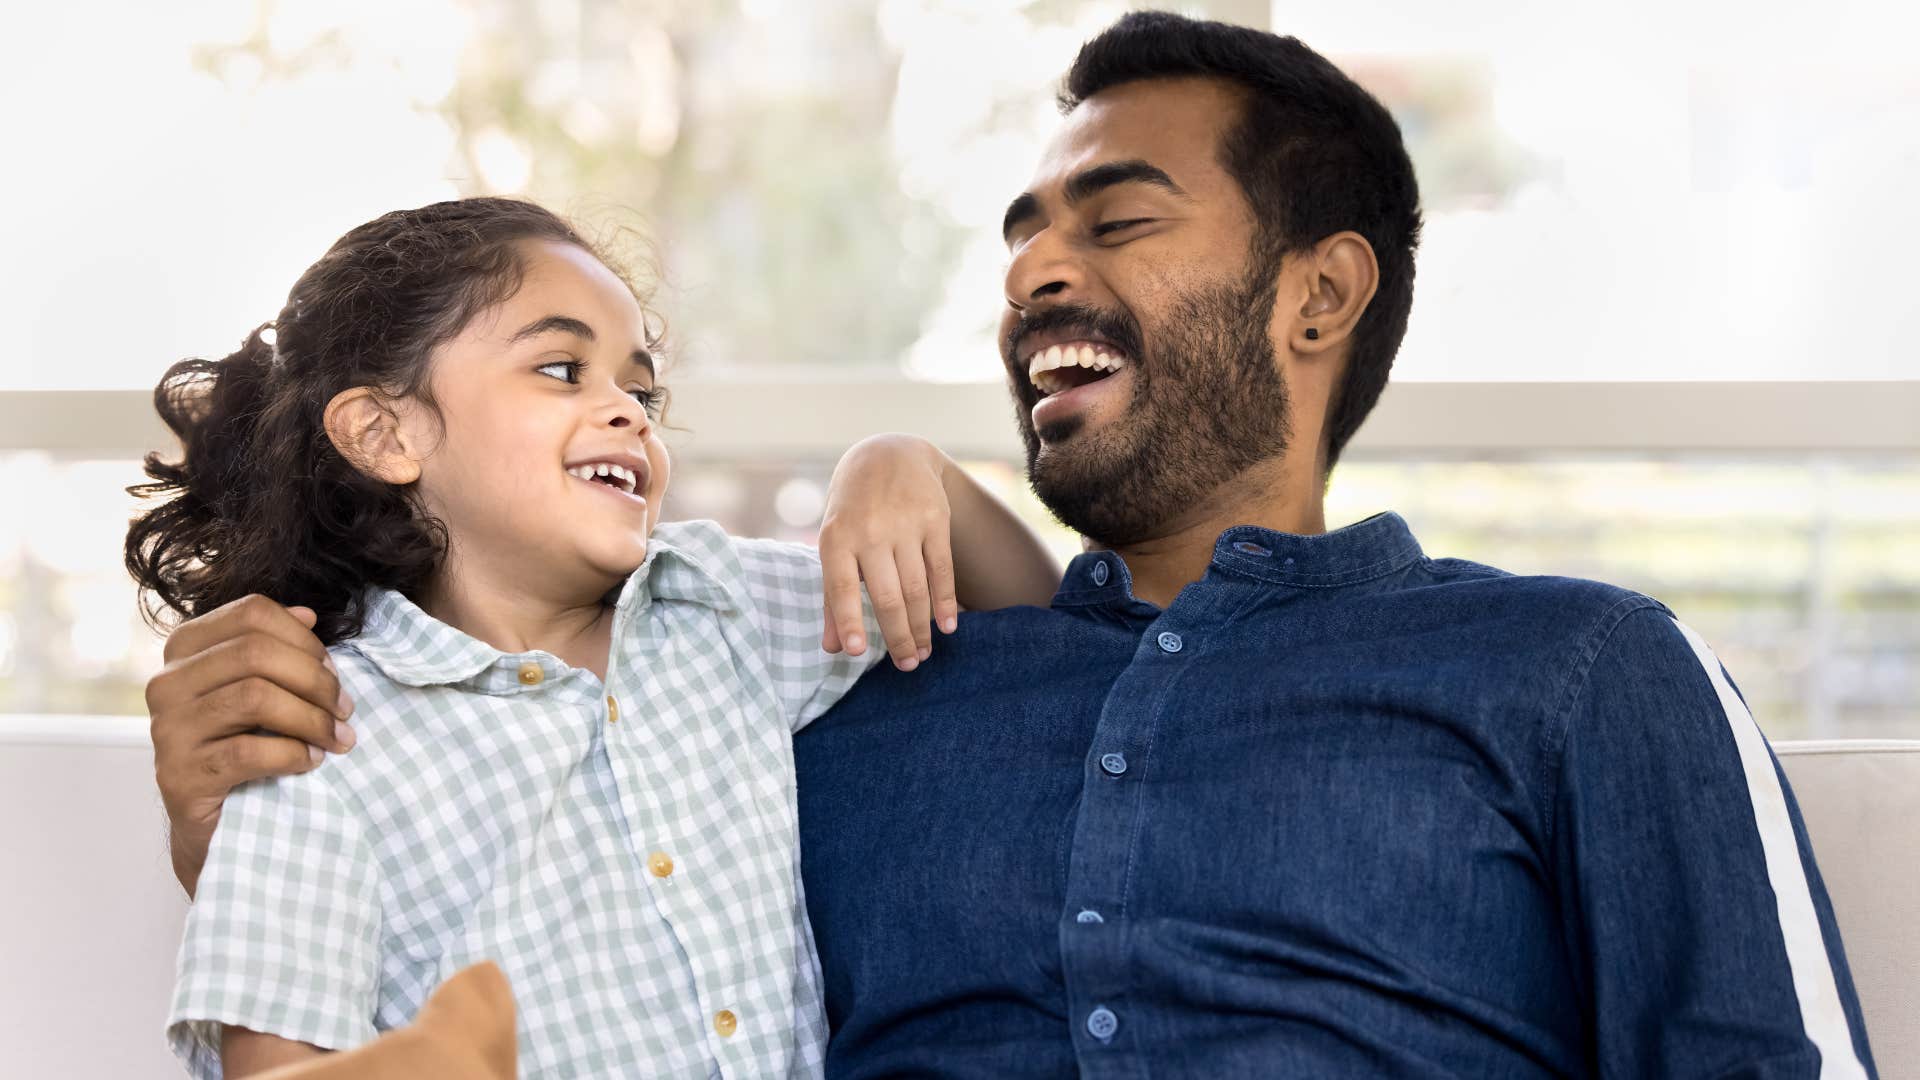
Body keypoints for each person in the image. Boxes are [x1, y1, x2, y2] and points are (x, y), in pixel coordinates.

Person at [147, 12, 1878, 1079]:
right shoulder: (874, 689)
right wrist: (258, 779)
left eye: (1116, 219)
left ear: (1319, 297)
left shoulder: (1576, 670)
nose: (1041, 269)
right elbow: (565, 827)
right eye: (1022, 235)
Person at [125, 196, 1059, 1078]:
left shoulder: (726, 604)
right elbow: (274, 1050)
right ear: (384, 434)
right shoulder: (318, 733)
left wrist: (910, 467)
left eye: (641, 396)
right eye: (562, 370)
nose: (625, 412)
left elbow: (1031, 622)